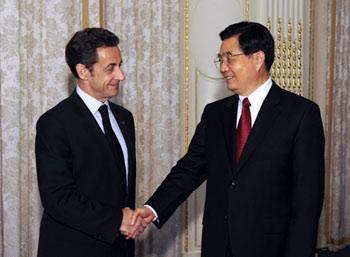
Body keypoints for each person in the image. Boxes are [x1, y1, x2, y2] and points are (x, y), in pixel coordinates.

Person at [132, 21, 325, 257]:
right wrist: (153, 208)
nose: (223, 67)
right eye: (220, 59)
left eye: (229, 58)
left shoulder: (300, 113)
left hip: (270, 247)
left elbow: (308, 199)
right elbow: (190, 168)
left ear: (257, 59)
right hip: (219, 243)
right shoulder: (215, 114)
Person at [35, 28, 144, 257]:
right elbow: (58, 199)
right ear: (83, 71)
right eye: (110, 68)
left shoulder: (125, 118)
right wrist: (118, 220)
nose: (121, 75)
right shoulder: (54, 123)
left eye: (120, 65)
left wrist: (129, 222)